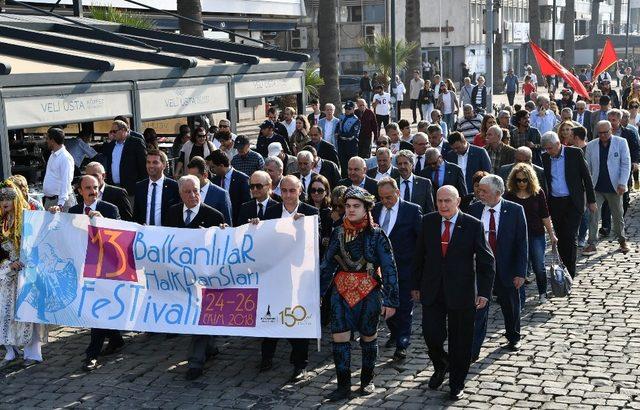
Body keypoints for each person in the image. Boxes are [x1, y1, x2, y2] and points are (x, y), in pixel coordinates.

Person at [412, 185, 494, 400]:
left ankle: (457, 383)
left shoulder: (472, 225)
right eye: (439, 201)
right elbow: (419, 256)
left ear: (458, 201)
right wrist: (415, 285)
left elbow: (487, 261)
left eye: (448, 201)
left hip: (462, 292)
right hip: (433, 290)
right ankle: (442, 363)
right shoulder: (428, 221)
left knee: (461, 342)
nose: (443, 205)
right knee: (431, 335)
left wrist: (484, 292)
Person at [320, 186, 399, 401]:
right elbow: (326, 265)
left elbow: (390, 267)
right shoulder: (338, 233)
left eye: (356, 206)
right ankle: (343, 386)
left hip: (369, 291)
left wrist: (391, 300)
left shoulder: (377, 235)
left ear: (366, 209)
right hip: (341, 291)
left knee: (368, 336)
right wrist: (317, 293)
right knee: (339, 337)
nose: (351, 210)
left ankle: (367, 380)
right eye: (347, 206)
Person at [257, 175, 318, 382]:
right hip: (275, 276)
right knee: (270, 314)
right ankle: (266, 357)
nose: (288, 195)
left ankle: (300, 364)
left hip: (299, 277)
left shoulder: (310, 213)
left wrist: (304, 229)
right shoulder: (271, 211)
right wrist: (256, 227)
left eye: (292, 191)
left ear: (300, 191)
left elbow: (316, 246)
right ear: (279, 191)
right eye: (284, 191)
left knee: (297, 319)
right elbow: (263, 242)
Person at [62, 175, 123, 371]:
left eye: (95, 187)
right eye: (88, 188)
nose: (92, 191)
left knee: (96, 309)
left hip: (104, 268)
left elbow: (122, 237)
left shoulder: (109, 209)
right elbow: (63, 236)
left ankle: (92, 355)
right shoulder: (72, 211)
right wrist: (55, 215)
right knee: (93, 308)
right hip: (82, 267)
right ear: (80, 191)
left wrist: (104, 223)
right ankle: (116, 338)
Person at [167, 175, 225, 380]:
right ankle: (209, 347)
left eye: (196, 191)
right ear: (180, 193)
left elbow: (224, 247)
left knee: (200, 317)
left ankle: (195, 362)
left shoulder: (214, 215)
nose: (193, 195)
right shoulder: (172, 212)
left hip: (205, 278)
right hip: (181, 277)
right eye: (187, 192)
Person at [469, 175, 527, 363]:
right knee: (479, 309)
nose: (480, 194)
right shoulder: (474, 209)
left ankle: (513, 336)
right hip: (481, 269)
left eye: (484, 191)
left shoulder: (515, 210)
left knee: (510, 305)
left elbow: (521, 243)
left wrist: (520, 272)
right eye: (479, 190)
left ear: (498, 193)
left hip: (507, 268)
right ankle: (474, 349)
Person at [372, 178, 421, 360]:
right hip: (381, 270)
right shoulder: (375, 210)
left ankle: (402, 343)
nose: (386, 201)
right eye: (382, 198)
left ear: (397, 193)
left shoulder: (412, 210)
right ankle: (394, 332)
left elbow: (420, 240)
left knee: (404, 307)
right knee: (386, 307)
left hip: (405, 267)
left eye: (389, 197)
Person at [0, 181, 46, 369]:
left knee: (28, 312)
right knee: (4, 311)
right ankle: (11, 349)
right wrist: (8, 264)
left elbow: (40, 239)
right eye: (2, 198)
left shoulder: (28, 218)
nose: (4, 202)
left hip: (28, 272)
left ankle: (33, 352)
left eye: (9, 198)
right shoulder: (1, 221)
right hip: (8, 272)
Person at [540, 131, 596, 277]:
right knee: (560, 237)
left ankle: (569, 273)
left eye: (550, 148)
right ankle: (563, 267)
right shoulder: (545, 157)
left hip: (573, 202)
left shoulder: (574, 153)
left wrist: (591, 200)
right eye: (546, 148)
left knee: (570, 236)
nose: (548, 151)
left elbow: (586, 178)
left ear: (558, 144)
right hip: (555, 202)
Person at [504, 163, 557, 304]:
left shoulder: (538, 193)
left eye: (524, 180)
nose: (521, 183)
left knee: (539, 266)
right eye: (518, 180)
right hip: (516, 236)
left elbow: (545, 215)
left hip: (536, 234)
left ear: (530, 179)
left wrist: (551, 234)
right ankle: (519, 298)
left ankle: (542, 293)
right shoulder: (509, 195)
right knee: (518, 268)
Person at [582, 120, 631, 255]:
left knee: (617, 215)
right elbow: (588, 168)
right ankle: (592, 243)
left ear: (611, 130)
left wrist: (622, 183)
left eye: (606, 132)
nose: (603, 135)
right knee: (593, 215)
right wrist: (588, 186)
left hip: (615, 187)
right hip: (596, 186)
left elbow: (625, 164)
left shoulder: (621, 142)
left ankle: (622, 241)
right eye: (600, 133)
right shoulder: (591, 145)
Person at [132, 150, 180, 226]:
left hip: (166, 234)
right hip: (145, 233)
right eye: (148, 162)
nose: (151, 166)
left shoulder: (173, 186)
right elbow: (136, 214)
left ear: (164, 165)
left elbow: (177, 214)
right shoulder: (140, 186)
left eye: (155, 162)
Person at [207, 150, 251, 226]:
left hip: (237, 224)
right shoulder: (214, 181)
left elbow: (246, 204)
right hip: (218, 224)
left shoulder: (242, 179)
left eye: (213, 167)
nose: (211, 171)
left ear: (221, 165)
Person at [104, 120, 147, 196]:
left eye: (115, 131)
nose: (113, 134)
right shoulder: (111, 145)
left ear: (123, 130)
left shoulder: (136, 142)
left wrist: (142, 186)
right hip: (114, 187)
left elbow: (143, 165)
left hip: (130, 189)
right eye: (111, 131)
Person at [186, 156, 232, 225]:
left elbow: (227, 225)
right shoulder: (185, 192)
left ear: (205, 175)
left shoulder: (221, 194)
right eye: (189, 177)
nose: (192, 181)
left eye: (195, 177)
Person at [42, 127, 76, 211]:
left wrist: (60, 204)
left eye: (47, 138)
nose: (46, 141)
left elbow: (66, 181)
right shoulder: (53, 155)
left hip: (61, 203)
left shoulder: (65, 158)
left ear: (52, 140)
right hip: (50, 201)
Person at [395, 149, 434, 214]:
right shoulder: (393, 184)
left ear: (412, 164)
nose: (402, 166)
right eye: (400, 164)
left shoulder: (425, 183)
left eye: (405, 163)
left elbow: (430, 210)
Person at [306, 174, 334, 258]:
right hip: (307, 252)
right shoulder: (304, 209)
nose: (316, 193)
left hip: (324, 254)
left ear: (326, 192)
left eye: (320, 190)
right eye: (313, 190)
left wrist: (328, 239)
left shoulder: (331, 211)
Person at [336, 101, 362, 177]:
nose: (347, 110)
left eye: (349, 109)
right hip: (341, 145)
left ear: (353, 109)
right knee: (343, 166)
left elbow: (351, 135)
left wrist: (340, 134)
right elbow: (338, 126)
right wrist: (337, 133)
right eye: (346, 108)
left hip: (351, 145)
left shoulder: (356, 120)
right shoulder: (341, 116)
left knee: (352, 165)